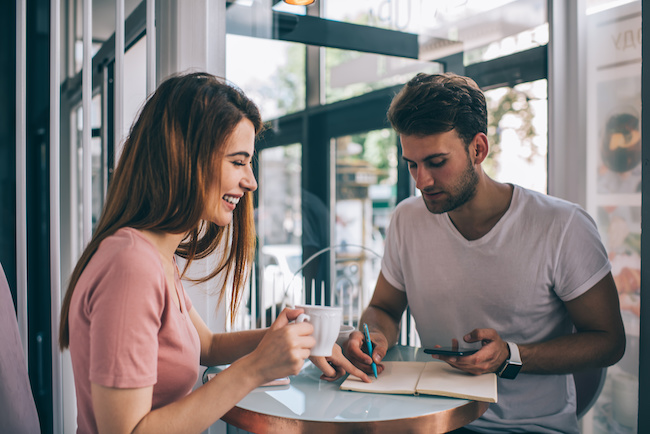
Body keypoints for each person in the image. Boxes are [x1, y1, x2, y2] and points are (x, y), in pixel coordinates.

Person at [58, 72, 368, 434]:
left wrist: (298, 339)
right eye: (238, 162)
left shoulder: (155, 256)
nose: (251, 182)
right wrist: (255, 368)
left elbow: (205, 345)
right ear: (185, 157)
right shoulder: (131, 266)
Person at [344, 72, 626, 433]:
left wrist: (511, 356)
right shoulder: (406, 219)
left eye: (436, 162)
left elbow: (608, 341)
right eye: (411, 164)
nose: (421, 181)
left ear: (478, 149)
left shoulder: (562, 225)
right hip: (432, 419)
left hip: (529, 427)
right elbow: (383, 308)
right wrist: (376, 336)